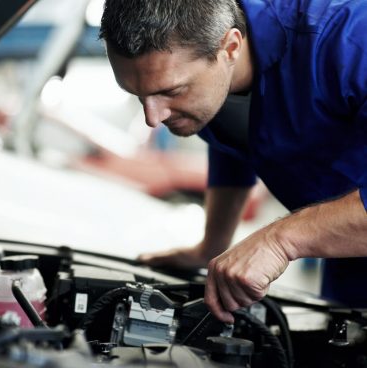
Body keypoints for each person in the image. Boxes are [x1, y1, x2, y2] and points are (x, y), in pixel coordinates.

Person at [99, 0, 367, 323]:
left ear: (230, 47)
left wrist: (279, 241)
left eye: (171, 91)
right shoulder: (207, 82)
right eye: (138, 95)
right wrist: (212, 245)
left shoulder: (347, 37)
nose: (152, 117)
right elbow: (235, 143)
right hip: (348, 260)